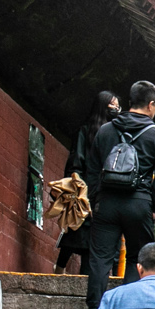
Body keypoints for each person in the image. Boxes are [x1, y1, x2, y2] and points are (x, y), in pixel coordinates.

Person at [87, 81, 155, 309]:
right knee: (137, 258)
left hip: (107, 203)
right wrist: (151, 205)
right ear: (151, 104)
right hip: (139, 203)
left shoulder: (106, 130)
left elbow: (92, 169)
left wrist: (96, 199)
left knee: (100, 259)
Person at [57, 90, 119, 273]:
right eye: (112, 105)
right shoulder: (85, 132)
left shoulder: (115, 135)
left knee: (91, 242)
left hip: (102, 193)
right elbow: (76, 163)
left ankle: (82, 281)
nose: (116, 109)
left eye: (117, 106)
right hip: (84, 192)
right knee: (74, 233)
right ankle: (58, 271)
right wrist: (80, 190)